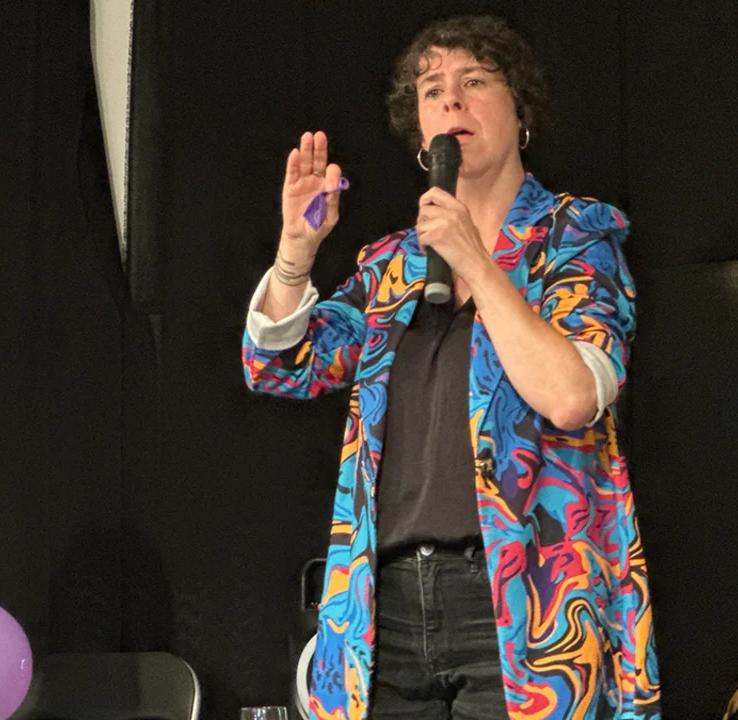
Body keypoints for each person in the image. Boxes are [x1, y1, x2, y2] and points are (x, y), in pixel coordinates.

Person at [243, 15, 660, 720]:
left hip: (526, 603)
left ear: (520, 112)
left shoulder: (574, 235)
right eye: (432, 90)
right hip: (384, 607)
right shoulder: (392, 264)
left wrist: (476, 261)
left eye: (474, 82)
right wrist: (295, 252)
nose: (452, 101)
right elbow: (281, 366)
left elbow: (570, 396)